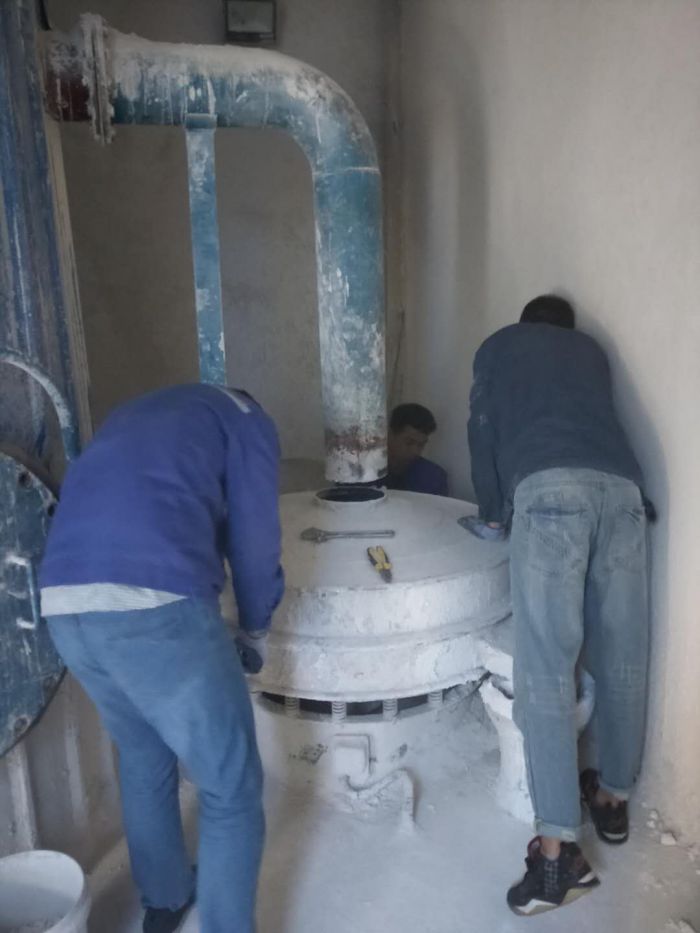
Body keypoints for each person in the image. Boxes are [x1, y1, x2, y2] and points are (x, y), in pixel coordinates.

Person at [39, 384, 284, 933]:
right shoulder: (246, 416)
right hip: (155, 604)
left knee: (143, 752)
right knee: (230, 788)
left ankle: (166, 897)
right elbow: (255, 537)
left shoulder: (134, 411)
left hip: (64, 603)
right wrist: (255, 627)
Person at [467, 295, 650, 916]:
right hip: (624, 494)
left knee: (546, 668)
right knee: (624, 653)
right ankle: (613, 801)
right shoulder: (590, 353)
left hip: (548, 492)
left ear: (524, 324)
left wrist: (493, 513)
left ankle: (557, 860)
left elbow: (484, 427)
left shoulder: (499, 347)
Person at [384, 402, 448, 496]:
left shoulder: (433, 477)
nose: (415, 451)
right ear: (390, 435)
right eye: (409, 442)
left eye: (421, 445)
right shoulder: (365, 473)